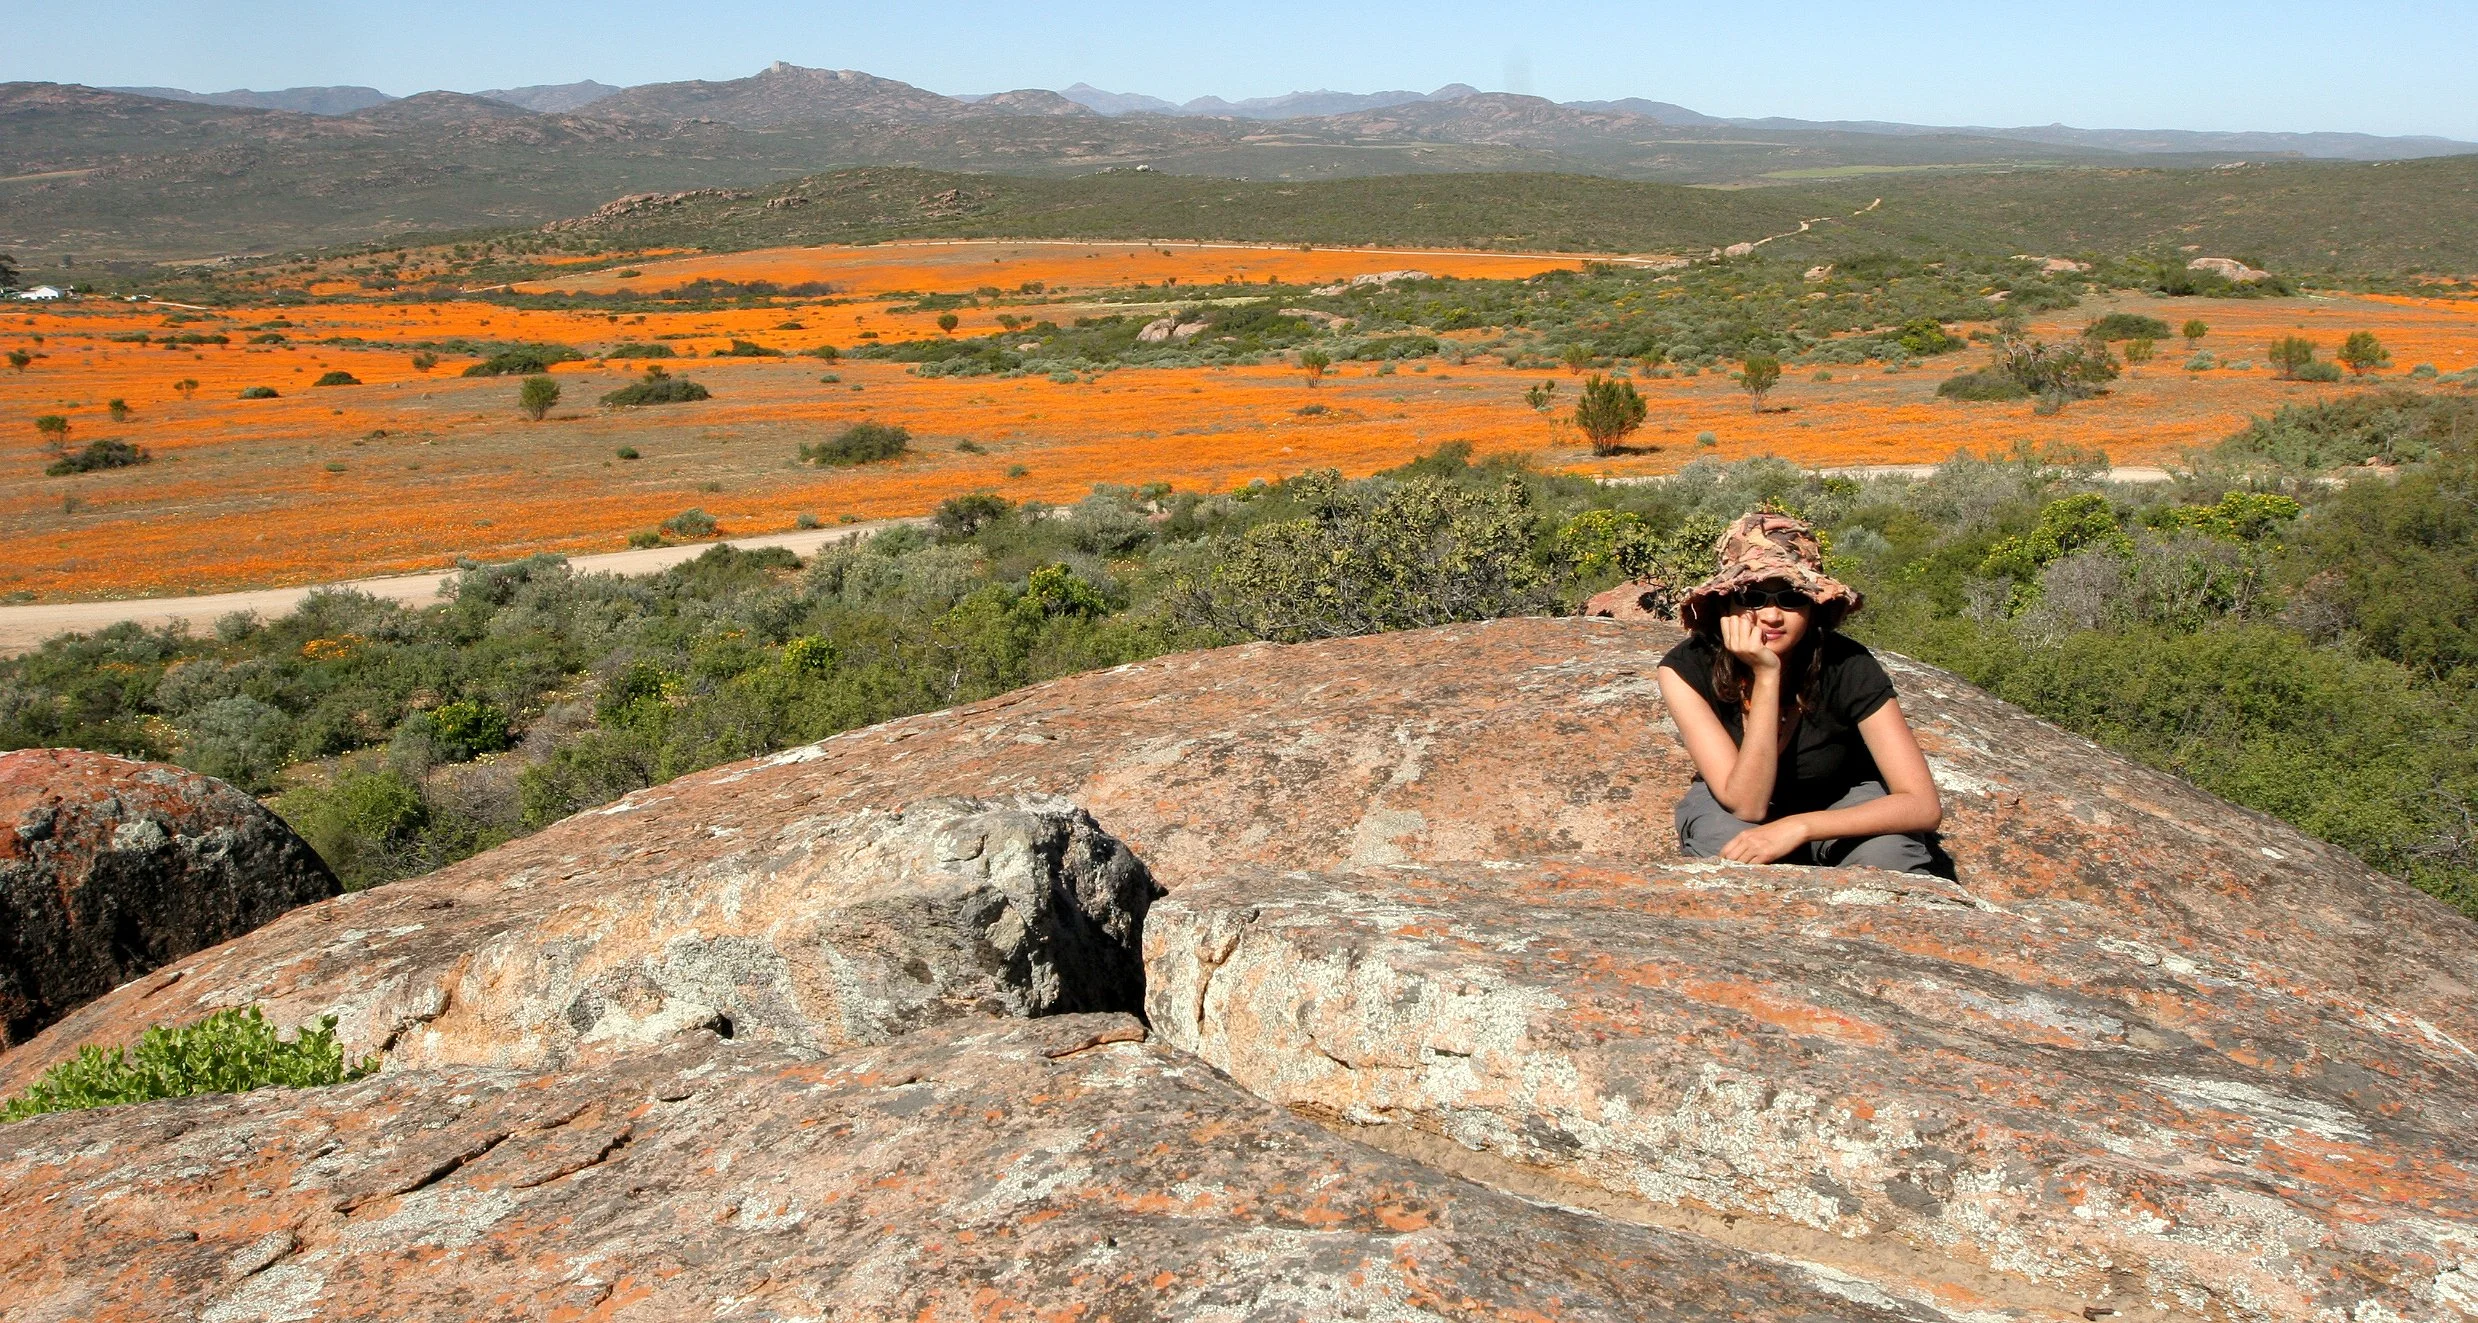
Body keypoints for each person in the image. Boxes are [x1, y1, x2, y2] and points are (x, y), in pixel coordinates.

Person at [1654, 512, 1943, 872]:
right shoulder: (1687, 667)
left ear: (1814, 606)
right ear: (1724, 606)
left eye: (1791, 598)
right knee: (1729, 856)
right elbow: (1747, 805)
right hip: (1735, 804)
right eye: (1753, 598)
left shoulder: (1848, 665)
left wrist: (1799, 827)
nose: (1772, 617)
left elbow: (1921, 804)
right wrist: (1767, 675)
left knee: (1887, 858)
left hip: (1840, 802)